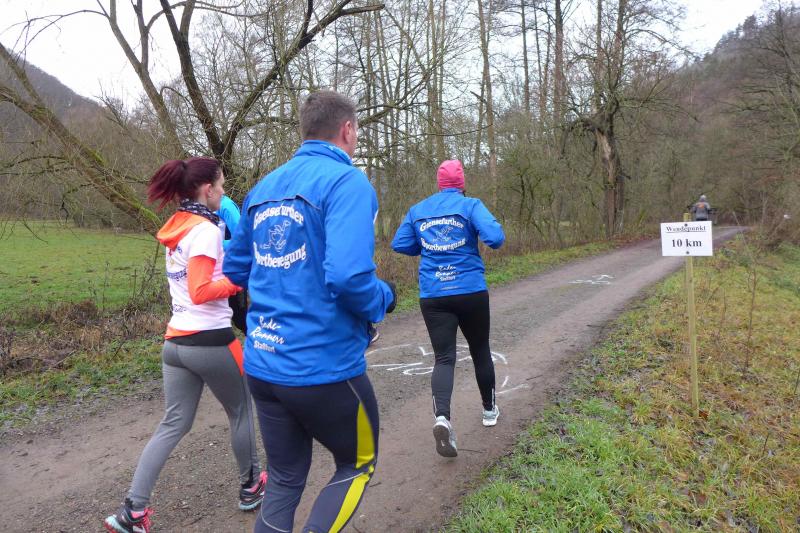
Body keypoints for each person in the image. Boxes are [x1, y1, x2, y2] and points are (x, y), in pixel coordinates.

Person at [223, 90, 396, 533]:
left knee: (284, 479)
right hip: (322, 368)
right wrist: (383, 299)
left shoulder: (264, 187)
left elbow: (235, 269)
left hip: (263, 365)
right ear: (348, 129)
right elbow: (349, 277)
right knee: (358, 463)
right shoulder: (347, 182)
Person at [104, 157, 266, 533]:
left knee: (173, 423)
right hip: (211, 340)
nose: (223, 192)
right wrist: (239, 280)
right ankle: (251, 486)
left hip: (175, 343)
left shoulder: (177, 227)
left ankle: (133, 511)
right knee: (241, 410)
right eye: (221, 186)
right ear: (207, 190)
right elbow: (200, 290)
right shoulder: (205, 230)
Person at [391, 159, 504, 458]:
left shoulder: (419, 210)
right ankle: (489, 411)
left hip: (434, 294)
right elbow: (496, 238)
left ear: (439, 183)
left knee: (443, 358)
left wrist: (428, 247)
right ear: (462, 183)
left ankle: (442, 417)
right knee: (480, 350)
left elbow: (400, 243)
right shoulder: (470, 205)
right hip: (470, 291)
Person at [215, 194, 248, 333]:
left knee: (239, 317)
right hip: (211, 269)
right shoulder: (199, 206)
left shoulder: (226, 206)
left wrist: (213, 243)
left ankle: (261, 341)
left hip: (231, 268)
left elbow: (242, 239)